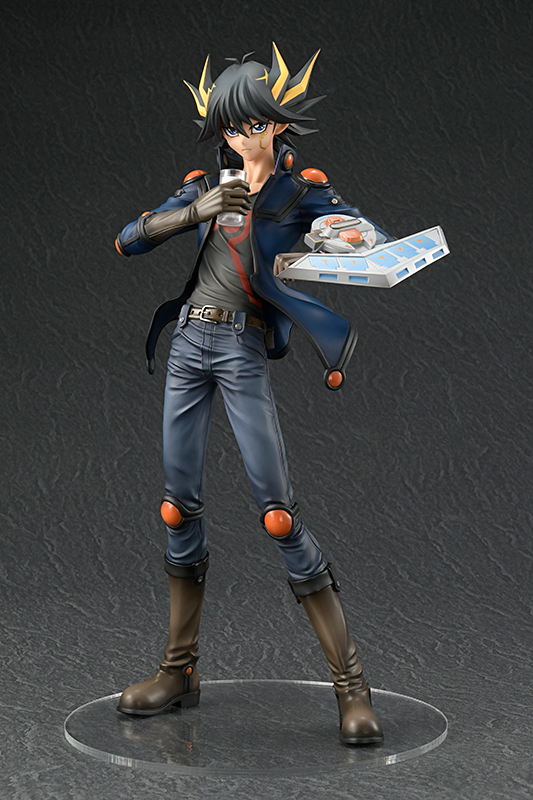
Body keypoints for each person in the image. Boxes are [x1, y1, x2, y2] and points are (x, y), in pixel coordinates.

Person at [114, 44, 391, 745]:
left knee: (277, 515)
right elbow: (127, 241)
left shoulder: (300, 193)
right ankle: (178, 671)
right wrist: (194, 211)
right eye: (231, 127)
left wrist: (339, 234)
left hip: (240, 349)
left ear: (278, 123)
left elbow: (368, 237)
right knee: (176, 508)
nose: (243, 138)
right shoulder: (203, 187)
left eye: (255, 124)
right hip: (188, 345)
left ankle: (352, 688)